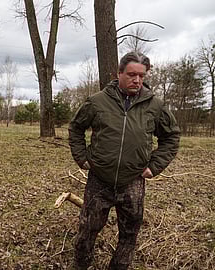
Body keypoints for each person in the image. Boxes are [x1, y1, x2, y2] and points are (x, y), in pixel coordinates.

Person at [68, 51, 180, 270]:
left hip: (133, 182)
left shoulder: (155, 106)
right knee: (87, 230)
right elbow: (76, 128)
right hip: (99, 180)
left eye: (141, 76)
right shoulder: (97, 102)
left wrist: (154, 167)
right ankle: (81, 265)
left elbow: (171, 137)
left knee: (129, 234)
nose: (136, 80)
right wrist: (82, 158)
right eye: (131, 74)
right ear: (118, 73)